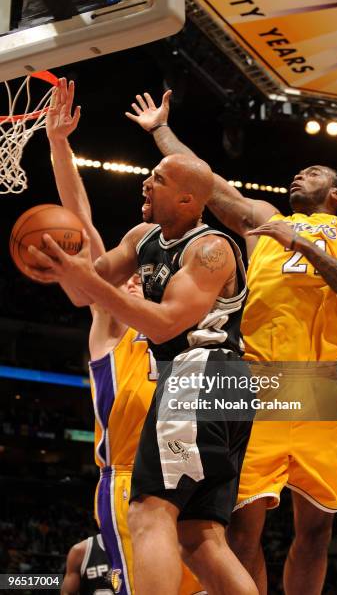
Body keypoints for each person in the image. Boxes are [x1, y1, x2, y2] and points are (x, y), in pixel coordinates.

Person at [123, 90, 337, 595]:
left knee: (317, 527)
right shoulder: (259, 219)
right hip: (257, 384)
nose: (299, 175)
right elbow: (202, 178)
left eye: (314, 173)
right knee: (241, 527)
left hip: (321, 391)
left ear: (336, 195)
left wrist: (303, 244)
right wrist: (159, 131)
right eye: (298, 172)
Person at [27, 106, 258, 594]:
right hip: (206, 389)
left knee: (149, 513)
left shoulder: (210, 248)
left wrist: (86, 277)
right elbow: (88, 270)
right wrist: (67, 266)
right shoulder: (141, 242)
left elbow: (165, 321)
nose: (145, 182)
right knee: (201, 538)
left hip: (203, 375)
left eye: (157, 177)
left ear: (189, 198)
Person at [45, 79, 204, 595]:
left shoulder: (178, 323)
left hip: (184, 474)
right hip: (128, 479)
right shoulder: (111, 325)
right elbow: (84, 225)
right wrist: (59, 144)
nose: (135, 275)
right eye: (128, 273)